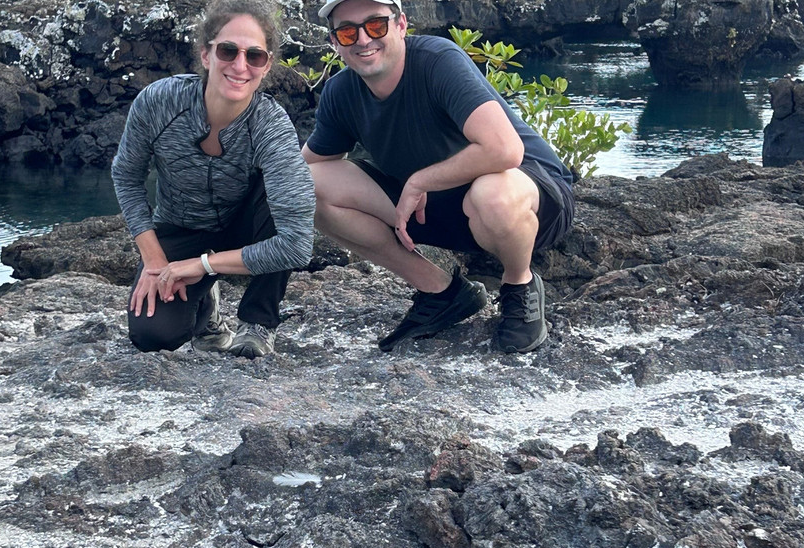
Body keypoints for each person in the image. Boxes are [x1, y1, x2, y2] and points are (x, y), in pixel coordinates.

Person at [302, 0, 574, 353]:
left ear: (401, 25)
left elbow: (505, 151)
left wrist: (419, 181)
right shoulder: (341, 91)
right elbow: (306, 165)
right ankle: (442, 292)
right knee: (307, 186)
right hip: (438, 212)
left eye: (376, 25)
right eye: (348, 31)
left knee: (491, 194)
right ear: (336, 43)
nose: (363, 39)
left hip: (528, 201)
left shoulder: (437, 60)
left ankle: (519, 286)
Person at [112, 0, 315, 358]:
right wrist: (155, 259)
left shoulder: (271, 125)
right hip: (180, 226)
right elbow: (127, 176)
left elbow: (296, 243)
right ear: (206, 55)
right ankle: (206, 312)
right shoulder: (159, 102)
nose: (240, 65)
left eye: (254, 56)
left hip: (244, 225)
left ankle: (257, 322)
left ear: (266, 66)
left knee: (280, 200)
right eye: (227, 50)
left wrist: (203, 264)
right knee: (152, 334)